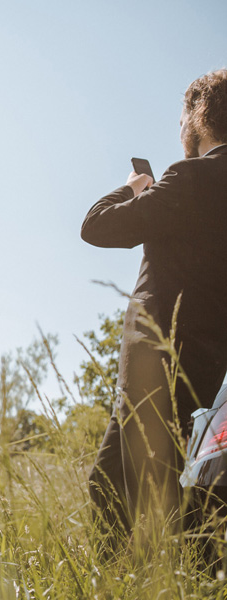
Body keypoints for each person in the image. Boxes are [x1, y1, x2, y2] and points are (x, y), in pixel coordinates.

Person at [82, 69, 227, 540]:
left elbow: (97, 227)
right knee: (197, 504)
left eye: (182, 116)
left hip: (161, 366)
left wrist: (135, 186)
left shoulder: (188, 177)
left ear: (198, 115)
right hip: (215, 378)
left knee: (109, 490)